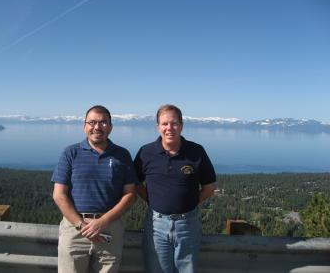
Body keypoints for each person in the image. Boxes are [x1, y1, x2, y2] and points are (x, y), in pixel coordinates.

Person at [51, 105, 138, 273]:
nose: (97, 127)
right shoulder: (71, 153)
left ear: (110, 127)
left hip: (109, 229)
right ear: (85, 126)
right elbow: (59, 195)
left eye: (103, 122)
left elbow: (130, 195)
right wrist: (80, 224)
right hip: (74, 229)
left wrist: (103, 221)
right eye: (92, 122)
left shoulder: (122, 155)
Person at [134, 104, 216, 273]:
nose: (169, 128)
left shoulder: (196, 151)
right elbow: (135, 183)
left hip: (188, 225)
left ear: (181, 125)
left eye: (174, 123)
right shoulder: (146, 152)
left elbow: (209, 187)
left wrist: (190, 203)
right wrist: (152, 200)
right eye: (164, 124)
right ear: (158, 127)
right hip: (156, 226)